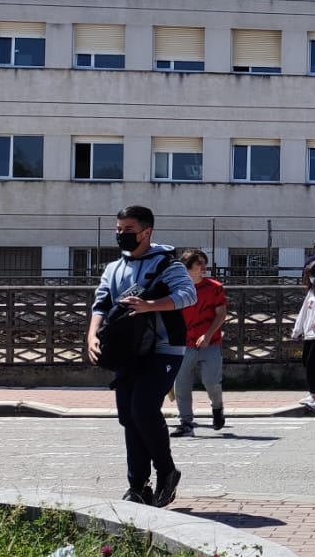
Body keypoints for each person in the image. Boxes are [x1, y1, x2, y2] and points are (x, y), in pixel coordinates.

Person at [87, 205, 197, 508]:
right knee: (128, 417)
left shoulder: (167, 264)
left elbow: (188, 294)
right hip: (128, 350)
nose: (122, 235)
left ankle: (167, 473)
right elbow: (100, 304)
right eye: (119, 230)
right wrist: (92, 335)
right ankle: (137, 486)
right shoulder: (113, 268)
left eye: (129, 231)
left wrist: (152, 305)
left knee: (144, 410)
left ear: (147, 232)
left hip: (164, 349)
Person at [171, 249, 228, 436]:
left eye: (205, 263)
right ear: (187, 268)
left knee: (211, 381)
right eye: (199, 264)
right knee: (182, 384)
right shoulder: (176, 288)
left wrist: (208, 335)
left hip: (210, 342)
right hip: (182, 344)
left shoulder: (214, 287)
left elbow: (221, 314)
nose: (204, 267)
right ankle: (185, 422)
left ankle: (217, 407)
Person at [291, 259, 315, 412]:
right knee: (307, 362)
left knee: (313, 365)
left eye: (311, 275)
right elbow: (303, 312)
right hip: (309, 334)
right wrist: (297, 330)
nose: (309, 278)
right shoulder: (313, 290)